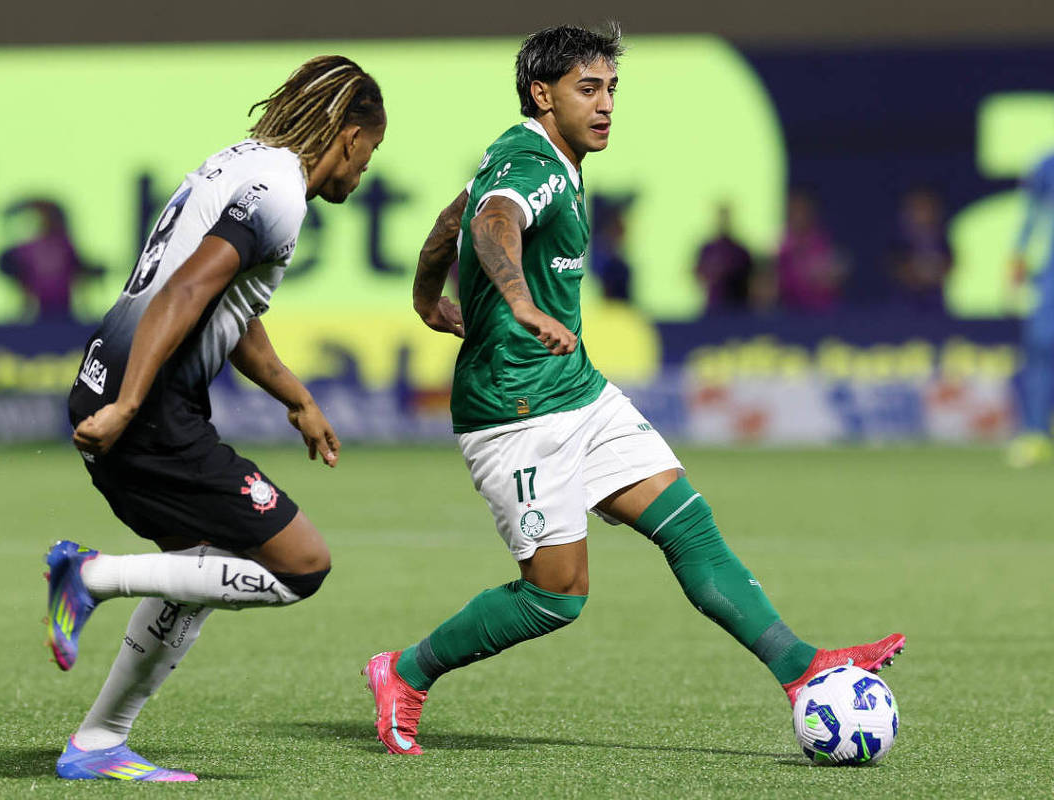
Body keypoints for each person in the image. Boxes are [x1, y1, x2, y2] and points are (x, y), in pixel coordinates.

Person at [362, 25, 904, 755]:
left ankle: (803, 667)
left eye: (612, 88)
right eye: (588, 88)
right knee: (556, 597)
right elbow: (491, 225)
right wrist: (520, 302)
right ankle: (404, 672)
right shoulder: (534, 166)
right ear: (542, 94)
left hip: (576, 391)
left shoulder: (525, 153)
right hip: (515, 412)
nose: (607, 104)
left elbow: (452, 221)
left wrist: (427, 295)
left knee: (688, 523)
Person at [45, 55, 386, 781]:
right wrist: (130, 406)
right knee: (302, 564)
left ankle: (99, 743)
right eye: (370, 153)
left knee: (202, 567)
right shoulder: (281, 194)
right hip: (149, 409)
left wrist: (297, 398)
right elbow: (185, 294)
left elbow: (232, 310)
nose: (364, 172)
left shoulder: (240, 162)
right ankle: (90, 577)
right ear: (351, 136)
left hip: (110, 379)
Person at [1006, 149, 1054, 468]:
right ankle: (1036, 433)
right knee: (1041, 348)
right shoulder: (1048, 165)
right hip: (1052, 276)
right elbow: (1032, 213)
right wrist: (1018, 257)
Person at [0, 199, 104, 321]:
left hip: (64, 311)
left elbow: (80, 271)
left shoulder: (64, 246)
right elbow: (9, 266)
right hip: (35, 311)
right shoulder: (29, 249)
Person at [775, 187, 845, 312]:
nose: (798, 215)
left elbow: (832, 279)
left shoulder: (822, 242)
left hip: (823, 313)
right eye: (794, 210)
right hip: (789, 313)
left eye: (802, 210)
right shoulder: (781, 246)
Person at [886, 186, 953, 312]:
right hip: (903, 307)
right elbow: (898, 271)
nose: (922, 214)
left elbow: (950, 267)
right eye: (918, 208)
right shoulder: (897, 242)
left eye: (927, 208)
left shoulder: (946, 239)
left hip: (939, 307)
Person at [694, 201, 755, 312]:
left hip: (737, 307)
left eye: (726, 218)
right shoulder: (708, 249)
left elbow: (750, 277)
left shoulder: (740, 251)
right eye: (721, 218)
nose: (723, 222)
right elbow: (698, 274)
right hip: (713, 306)